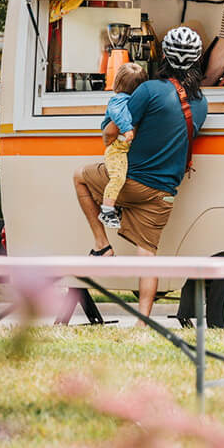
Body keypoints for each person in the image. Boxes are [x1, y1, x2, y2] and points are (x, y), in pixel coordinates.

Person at [73, 26, 208, 317]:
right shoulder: (201, 103)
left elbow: (112, 129)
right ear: (198, 60)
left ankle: (102, 246)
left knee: (80, 176)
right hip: (163, 195)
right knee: (148, 257)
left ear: (163, 56)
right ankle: (143, 322)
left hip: (128, 184)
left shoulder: (149, 90)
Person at [98, 62, 148, 229]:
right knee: (118, 177)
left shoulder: (132, 101)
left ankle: (115, 205)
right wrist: (126, 129)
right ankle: (106, 210)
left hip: (123, 147)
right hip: (116, 148)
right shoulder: (119, 100)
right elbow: (118, 114)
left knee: (124, 176)